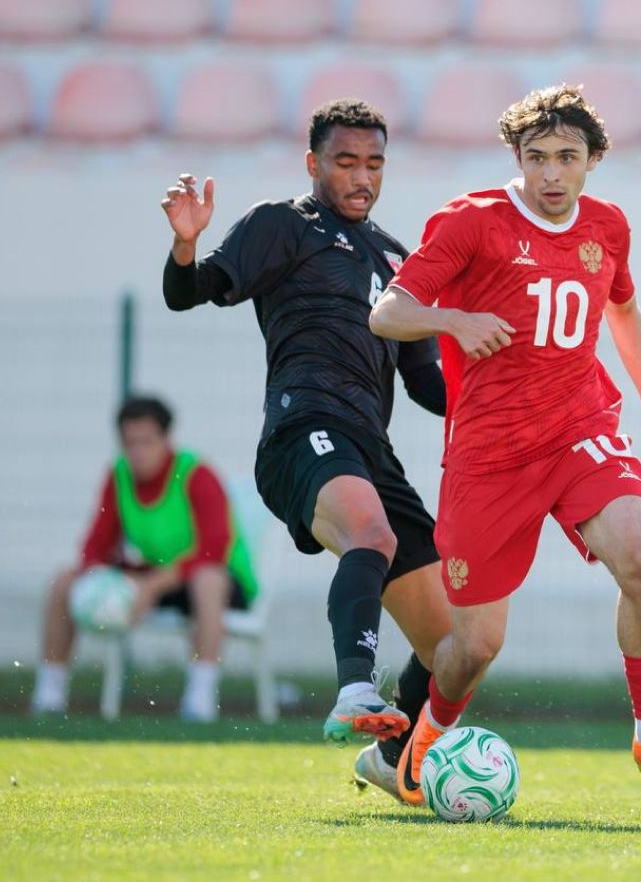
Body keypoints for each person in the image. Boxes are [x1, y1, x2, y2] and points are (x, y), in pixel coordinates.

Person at [369, 84, 641, 804]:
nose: (551, 174)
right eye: (537, 157)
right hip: (490, 455)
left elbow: (623, 313)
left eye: (567, 157)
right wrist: (454, 321)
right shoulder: (472, 222)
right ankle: (423, 736)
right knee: (475, 647)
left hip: (579, 429)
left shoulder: (608, 226)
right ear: (516, 157)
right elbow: (387, 313)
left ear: (592, 160)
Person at [158, 99, 451, 797]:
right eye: (346, 162)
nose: (362, 177)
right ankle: (355, 690)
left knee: (454, 645)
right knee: (371, 535)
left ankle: (390, 756)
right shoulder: (283, 224)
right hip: (302, 428)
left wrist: (510, 385)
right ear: (313, 163)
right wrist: (185, 245)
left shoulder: (399, 259)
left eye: (374, 163)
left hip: (372, 451)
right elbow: (190, 292)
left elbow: (426, 385)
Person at [31, 396, 258, 722]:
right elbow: (97, 543)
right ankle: (49, 695)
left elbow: (214, 547)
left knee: (208, 580)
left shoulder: (197, 473)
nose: (138, 452)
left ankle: (200, 698)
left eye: (146, 442)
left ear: (166, 439)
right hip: (156, 576)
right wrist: (100, 581)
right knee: (64, 579)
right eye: (130, 443)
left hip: (215, 579)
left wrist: (151, 586)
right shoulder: (119, 475)